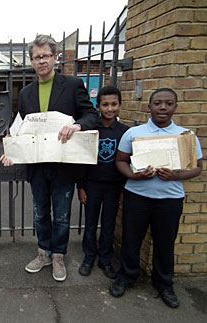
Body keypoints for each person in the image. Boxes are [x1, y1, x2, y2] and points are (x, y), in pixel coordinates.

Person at [0, 34, 98, 282]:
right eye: (36, 57)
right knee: (40, 213)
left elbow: (91, 115)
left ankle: (58, 256)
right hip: (37, 164)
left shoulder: (73, 84)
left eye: (45, 56)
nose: (41, 61)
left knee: (63, 214)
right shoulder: (25, 93)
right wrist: (10, 150)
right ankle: (43, 252)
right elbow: (20, 127)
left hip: (64, 163)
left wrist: (77, 126)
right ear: (31, 61)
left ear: (55, 58)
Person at [109, 88, 203, 308]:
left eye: (168, 103)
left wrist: (176, 175)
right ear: (149, 106)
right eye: (158, 103)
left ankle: (163, 283)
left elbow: (197, 168)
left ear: (175, 107)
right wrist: (134, 175)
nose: (163, 107)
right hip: (138, 196)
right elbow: (120, 160)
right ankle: (127, 276)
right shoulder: (135, 133)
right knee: (131, 240)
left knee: (164, 243)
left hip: (170, 199)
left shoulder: (185, 135)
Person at [77, 86, 129, 279]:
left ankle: (105, 259)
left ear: (120, 106)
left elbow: (128, 161)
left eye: (114, 104)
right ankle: (89, 257)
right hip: (91, 185)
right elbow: (81, 160)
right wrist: (80, 187)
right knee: (90, 223)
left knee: (108, 224)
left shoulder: (125, 132)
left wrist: (124, 188)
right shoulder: (90, 129)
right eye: (105, 104)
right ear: (98, 106)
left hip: (114, 186)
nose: (109, 109)